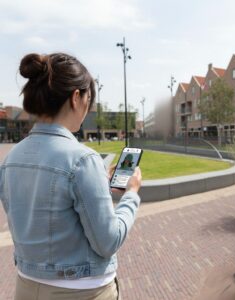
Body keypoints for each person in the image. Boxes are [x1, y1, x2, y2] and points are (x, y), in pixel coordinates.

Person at [0, 53, 142, 300]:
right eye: (89, 99)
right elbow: (108, 242)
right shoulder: (82, 160)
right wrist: (131, 194)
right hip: (82, 291)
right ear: (76, 97)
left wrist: (98, 186)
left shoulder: (11, 159)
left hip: (26, 286)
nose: (88, 108)